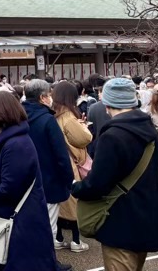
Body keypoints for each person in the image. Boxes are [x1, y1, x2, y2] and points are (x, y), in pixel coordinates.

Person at [72, 78, 158, 270]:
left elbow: (97, 184)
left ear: (107, 104)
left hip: (120, 220)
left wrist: (76, 186)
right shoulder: (150, 131)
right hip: (146, 217)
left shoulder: (112, 136)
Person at [0, 92, 58, 270]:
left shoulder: (15, 144)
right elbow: (0, 178)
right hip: (20, 223)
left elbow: (8, 189)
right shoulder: (11, 139)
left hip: (21, 227)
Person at [22, 79, 74, 270]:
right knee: (49, 226)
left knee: (30, 225)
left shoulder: (17, 117)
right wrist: (68, 180)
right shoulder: (47, 120)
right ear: (43, 97)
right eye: (49, 95)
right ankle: (48, 263)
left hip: (25, 181)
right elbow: (61, 155)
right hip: (49, 181)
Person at [52, 82, 92, 254]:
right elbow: (84, 139)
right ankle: (76, 240)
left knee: (61, 203)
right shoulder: (68, 117)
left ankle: (59, 238)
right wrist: (84, 127)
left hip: (56, 164)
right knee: (74, 201)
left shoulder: (53, 115)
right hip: (71, 164)